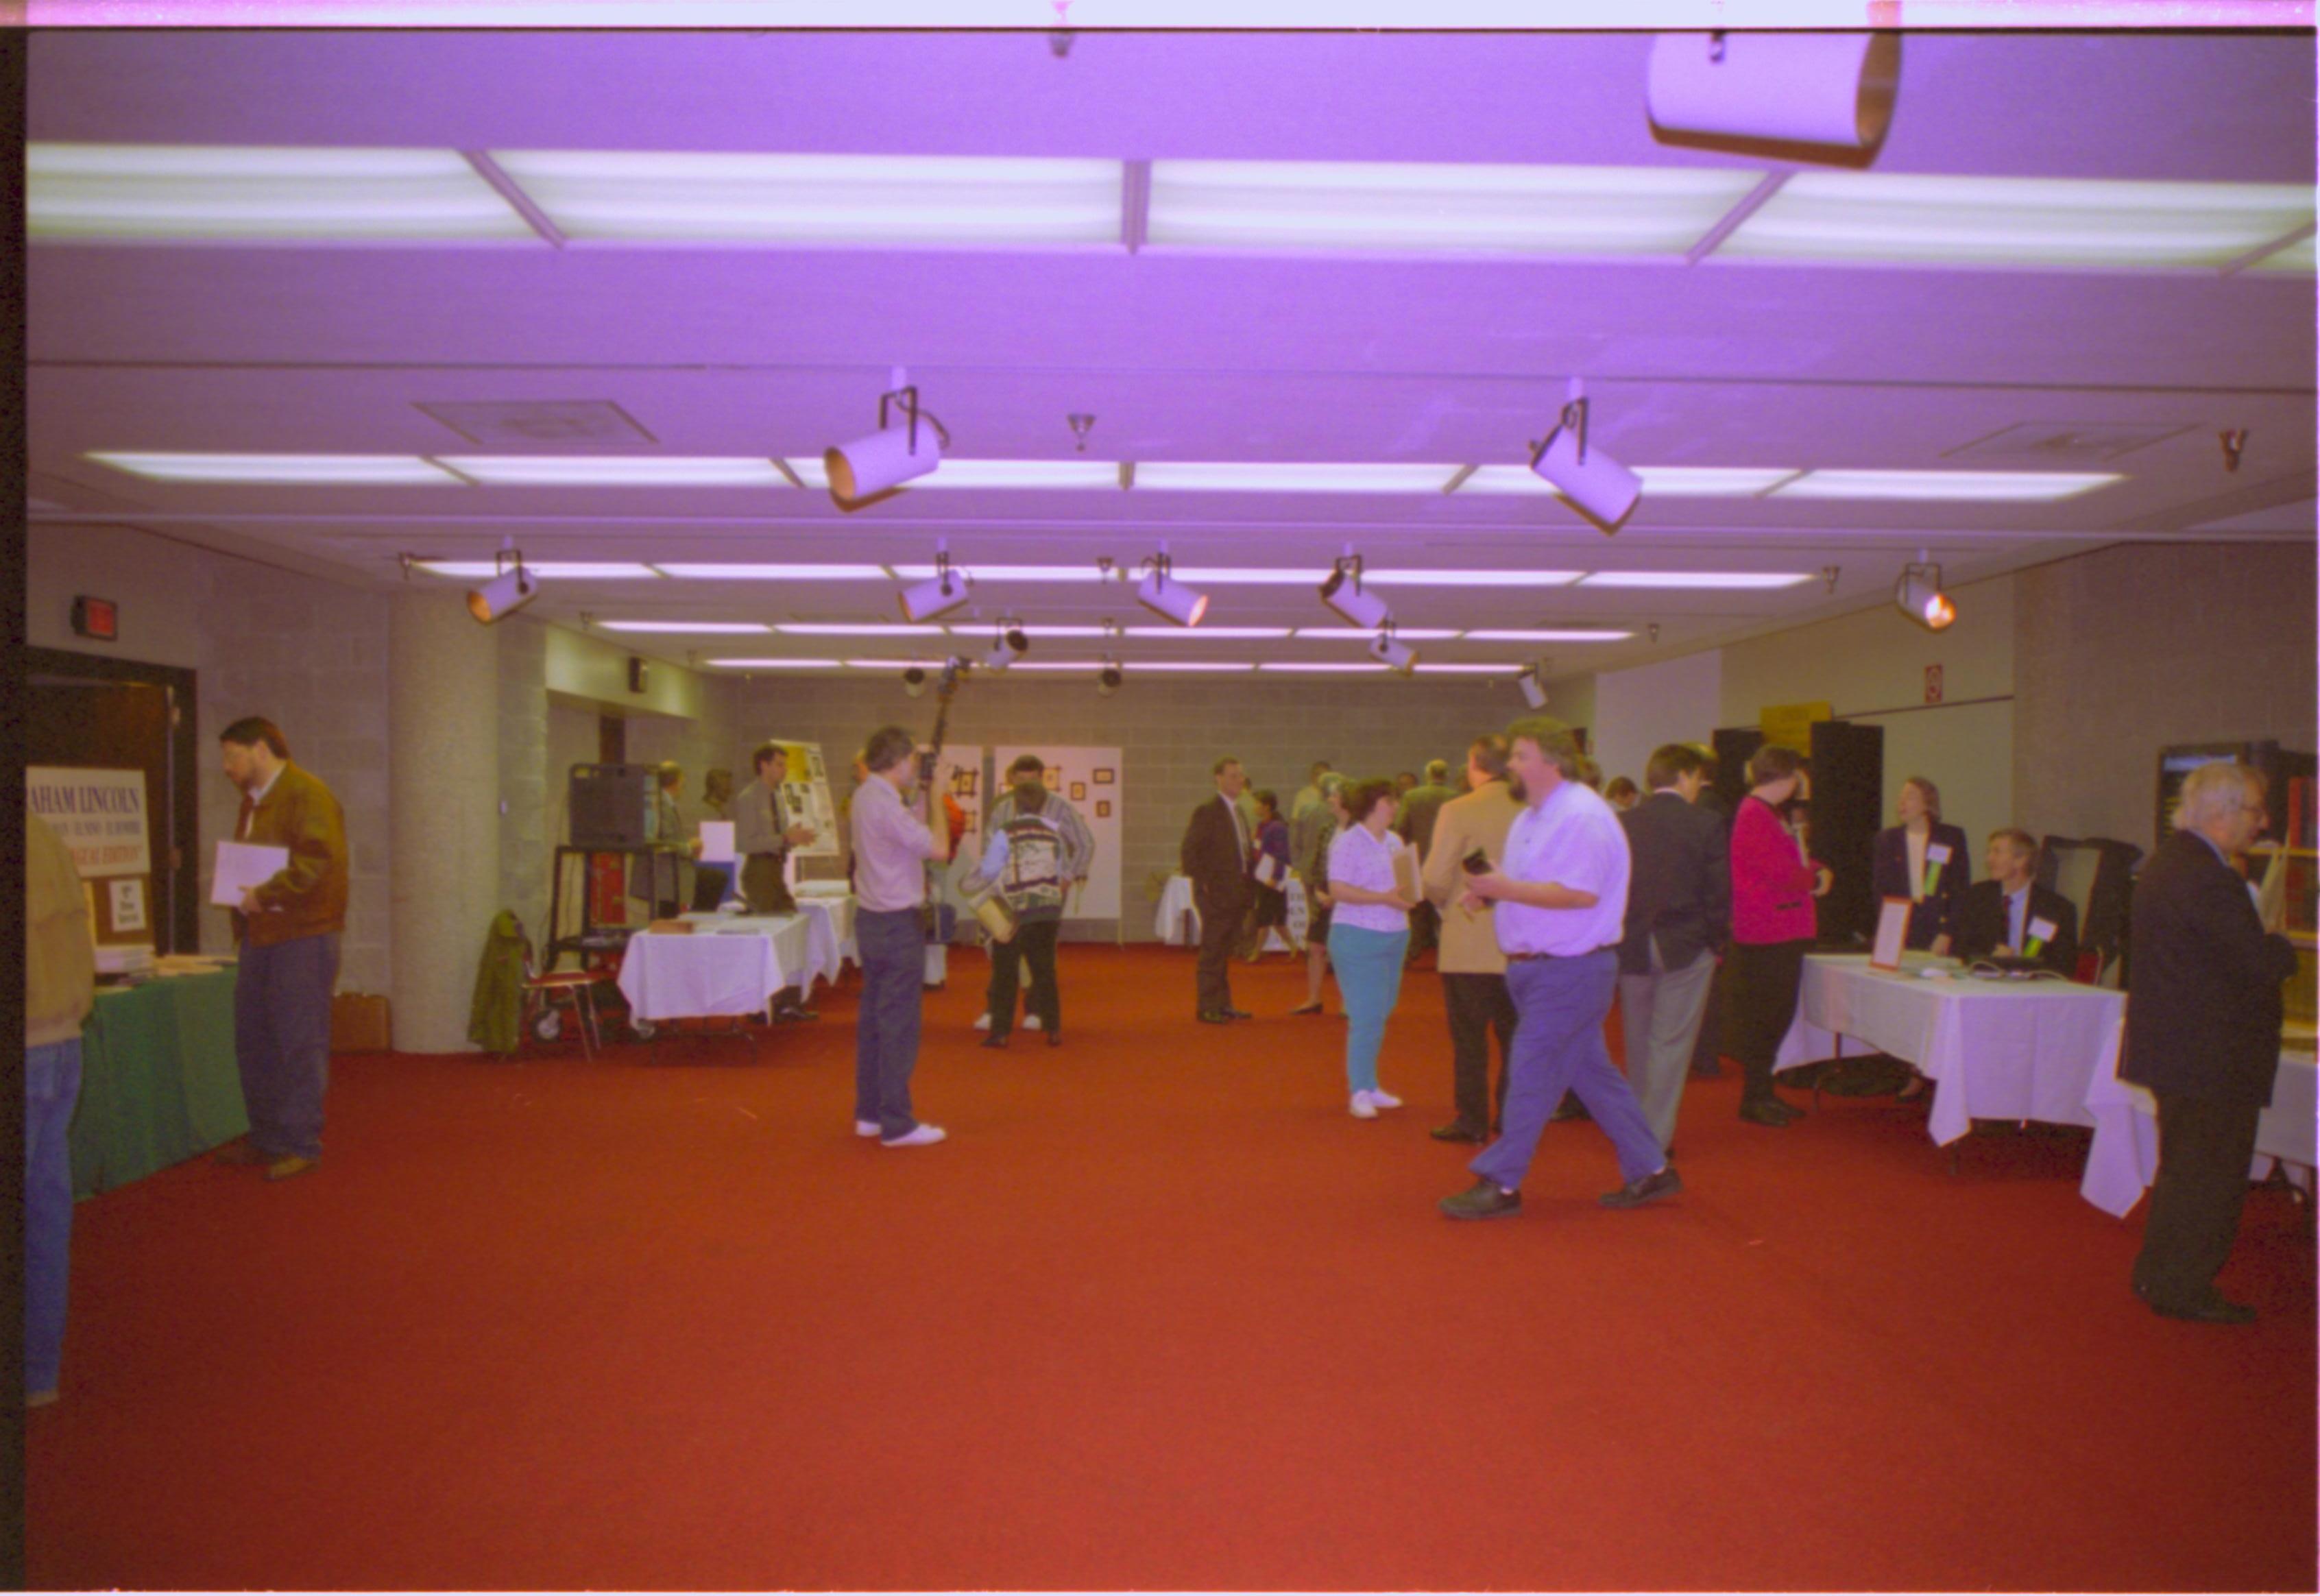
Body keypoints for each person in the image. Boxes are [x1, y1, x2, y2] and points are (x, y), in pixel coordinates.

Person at [1439, 718, 1678, 1219]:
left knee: (1530, 1070)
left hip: (1570, 971)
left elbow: (1580, 894)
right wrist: (1488, 889)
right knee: (1594, 1077)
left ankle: (1500, 1182)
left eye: (1521, 757)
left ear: (1552, 761)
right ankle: (1652, 1169)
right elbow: (1532, 885)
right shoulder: (1533, 816)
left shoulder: (1583, 817)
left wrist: (1505, 891)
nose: (1511, 767)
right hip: (1538, 969)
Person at [2122, 764, 2297, 1324]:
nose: (2262, 822)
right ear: (2220, 813)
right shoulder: (2208, 877)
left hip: (2183, 1050)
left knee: (2183, 1172)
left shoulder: (2170, 862)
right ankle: (2185, 1287)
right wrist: (2283, 947)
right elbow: (2254, 962)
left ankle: (2159, 1273)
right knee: (2211, 1180)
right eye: (2253, 811)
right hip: (2210, 1056)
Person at [213, 716, 348, 1182]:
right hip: (263, 934)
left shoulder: (306, 794)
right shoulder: (256, 801)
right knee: (255, 1039)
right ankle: (267, 1137)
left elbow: (319, 862)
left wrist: (264, 894)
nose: (226, 767)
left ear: (261, 750)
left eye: (233, 755)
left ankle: (298, 1143)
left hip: (302, 936)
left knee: (297, 1041)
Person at [1615, 744, 1730, 1154]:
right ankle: (1652, 1141)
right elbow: (1718, 893)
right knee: (1670, 1044)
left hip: (1631, 943)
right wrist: (1717, 942)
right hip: (1684, 944)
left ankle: (1633, 1130)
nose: (1699, 786)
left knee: (1638, 1040)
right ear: (1684, 777)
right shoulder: (1706, 823)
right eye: (1698, 778)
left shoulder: (1625, 822)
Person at [850, 725, 954, 1148]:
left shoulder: (869, 796)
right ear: (896, 761)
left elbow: (911, 837)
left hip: (873, 921)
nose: (916, 766)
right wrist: (943, 797)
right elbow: (940, 850)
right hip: (895, 925)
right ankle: (897, 1124)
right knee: (898, 1025)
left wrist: (927, 795)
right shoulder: (884, 804)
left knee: (875, 1021)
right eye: (912, 759)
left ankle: (871, 1113)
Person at [1419, 734, 1523, 1143]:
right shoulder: (1532, 808)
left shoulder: (1458, 808)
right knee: (1516, 1037)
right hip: (1521, 944)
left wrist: (1446, 906)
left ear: (1475, 764)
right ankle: (1512, 1117)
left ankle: (1472, 1120)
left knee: (1469, 1041)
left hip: (1469, 944)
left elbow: (1434, 878)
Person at [25, 810, 96, 1407]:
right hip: (62, 1037)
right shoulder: (42, 831)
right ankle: (36, 1373)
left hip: (29, 1043)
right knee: (45, 1217)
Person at [1725, 745, 1828, 1128]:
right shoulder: (1755, 814)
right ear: (1787, 777)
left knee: (1775, 1015)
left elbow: (1793, 859)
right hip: (1770, 932)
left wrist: (1818, 869)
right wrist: (1814, 879)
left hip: (1782, 930)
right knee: (1766, 1017)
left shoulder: (1771, 813)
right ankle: (1755, 1097)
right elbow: (1778, 871)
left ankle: (1763, 1092)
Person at [965, 756, 1089, 1048]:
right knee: (1045, 971)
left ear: (1016, 804)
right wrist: (1060, 883)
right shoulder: (1054, 833)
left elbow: (990, 868)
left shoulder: (1005, 833)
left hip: (1013, 909)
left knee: (1005, 971)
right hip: (1045, 912)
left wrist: (975, 881)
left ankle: (1001, 1032)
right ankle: (1054, 1027)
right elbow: (1062, 866)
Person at [1327, 777, 1419, 1119]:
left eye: (1395, 801)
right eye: (1388, 801)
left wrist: (1409, 895)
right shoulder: (1349, 843)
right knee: (1365, 1016)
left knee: (1381, 1012)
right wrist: (1383, 898)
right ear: (1370, 806)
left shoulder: (1394, 841)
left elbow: (1403, 885)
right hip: (1357, 936)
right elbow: (1337, 888)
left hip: (1395, 935)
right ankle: (1359, 1091)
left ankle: (1370, 1082)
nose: (1395, 806)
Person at [735, 741, 820, 1021]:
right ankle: (761, 1006)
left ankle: (788, 1002)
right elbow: (746, 842)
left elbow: (779, 835)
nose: (784, 770)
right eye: (779, 764)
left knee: (792, 932)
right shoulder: (749, 798)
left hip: (775, 869)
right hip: (759, 873)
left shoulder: (778, 796)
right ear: (764, 765)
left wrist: (792, 837)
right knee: (767, 939)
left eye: (784, 765)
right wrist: (784, 838)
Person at [1181, 755, 1255, 1024]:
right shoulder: (1208, 811)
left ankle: (1223, 1004)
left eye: (1241, 775)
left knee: (1224, 952)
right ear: (1219, 779)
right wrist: (1206, 885)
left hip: (1237, 892)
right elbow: (1190, 853)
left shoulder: (1239, 812)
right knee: (1213, 951)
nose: (1239, 780)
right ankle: (1208, 1006)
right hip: (1216, 894)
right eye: (1233, 775)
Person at [1954, 828, 2080, 977]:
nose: (1989, 859)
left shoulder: (2057, 908)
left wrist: (2018, 963)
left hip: (2034, 989)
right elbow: (1961, 950)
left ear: (2021, 860)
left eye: (1997, 852)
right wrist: (1991, 958)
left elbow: (2064, 964)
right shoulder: (1977, 896)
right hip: (1986, 983)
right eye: (1989, 852)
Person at [1872, 776, 1971, 955]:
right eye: (1900, 797)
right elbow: (1881, 891)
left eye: (1910, 797)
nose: (1902, 802)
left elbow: (1960, 890)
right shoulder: (1887, 840)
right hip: (1903, 927)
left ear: (1928, 803)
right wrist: (1892, 934)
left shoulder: (1950, 837)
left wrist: (1947, 933)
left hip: (1939, 926)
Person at [1687, 744, 1732, 1083]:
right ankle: (1703, 1054)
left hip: (1701, 913)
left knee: (1704, 991)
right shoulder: (1712, 806)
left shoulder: (1707, 809)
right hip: (1704, 912)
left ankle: (1704, 1055)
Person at [1395, 758, 1460, 967]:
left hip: (1418, 859)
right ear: (1446, 775)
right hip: (1448, 861)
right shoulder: (1456, 798)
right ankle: (1449, 953)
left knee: (1415, 911)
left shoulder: (1412, 797)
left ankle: (1410, 953)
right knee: (1445, 912)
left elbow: (1401, 827)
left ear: (1427, 775)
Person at [1292, 774, 1346, 1015]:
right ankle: (1314, 999)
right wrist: (1316, 890)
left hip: (1346, 894)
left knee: (1344, 949)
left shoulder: (1358, 831)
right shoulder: (1327, 829)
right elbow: (1316, 861)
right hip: (1324, 890)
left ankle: (1347, 1002)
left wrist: (1336, 895)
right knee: (1315, 946)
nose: (1329, 801)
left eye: (1334, 797)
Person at [1245, 790, 1294, 960]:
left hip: (1271, 879)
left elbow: (1282, 854)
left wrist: (1276, 876)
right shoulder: (1260, 826)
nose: (1255, 807)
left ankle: (1256, 952)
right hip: (1261, 877)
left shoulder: (1278, 827)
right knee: (1271, 917)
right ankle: (1293, 947)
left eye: (1258, 803)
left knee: (1270, 917)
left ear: (1267, 807)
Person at [688, 767, 736, 913]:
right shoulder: (702, 812)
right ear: (715, 787)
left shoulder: (721, 811)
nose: (730, 790)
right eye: (726, 786)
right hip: (707, 872)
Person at [649, 762, 686, 918]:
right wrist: (690, 848)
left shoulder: (666, 803)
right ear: (675, 782)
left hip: (670, 866)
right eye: (682, 782)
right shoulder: (662, 804)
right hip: (666, 869)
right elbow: (667, 839)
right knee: (713, 879)